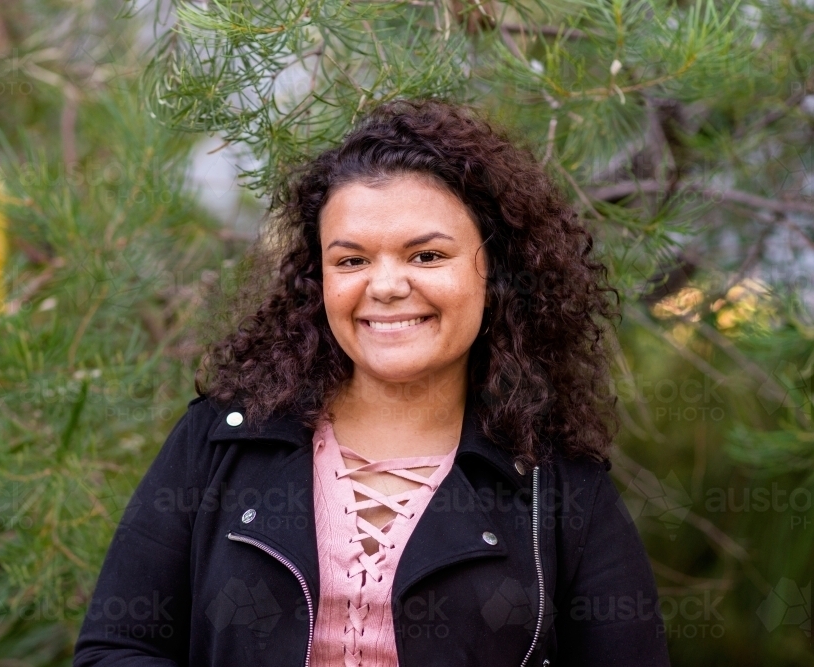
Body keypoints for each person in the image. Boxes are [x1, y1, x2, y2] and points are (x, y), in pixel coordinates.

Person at [73, 99, 671, 667]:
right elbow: (117, 649)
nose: (384, 286)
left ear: (496, 271)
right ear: (318, 280)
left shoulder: (559, 486)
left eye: (427, 256)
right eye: (351, 260)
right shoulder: (220, 443)